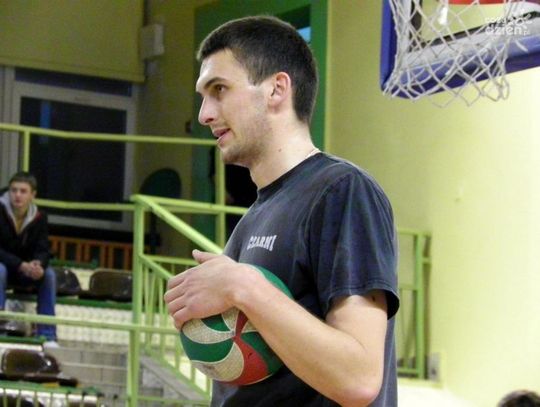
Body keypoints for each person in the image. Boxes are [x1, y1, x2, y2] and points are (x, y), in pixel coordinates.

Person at [164, 16, 399, 407]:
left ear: (276, 89)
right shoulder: (250, 222)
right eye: (203, 96)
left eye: (219, 89)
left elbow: (358, 378)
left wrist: (243, 287)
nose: (204, 114)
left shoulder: (341, 191)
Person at [0, 171, 57, 343]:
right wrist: (20, 264)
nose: (17, 195)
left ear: (33, 195)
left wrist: (38, 264)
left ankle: (47, 335)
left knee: (49, 275)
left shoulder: (40, 217)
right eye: (14, 190)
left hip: (25, 270)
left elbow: (43, 248)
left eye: (23, 191)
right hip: (5, 267)